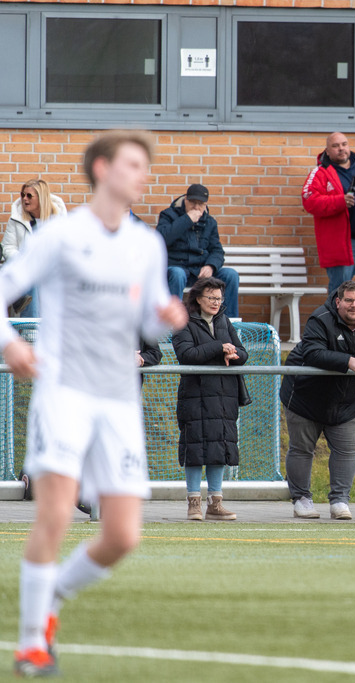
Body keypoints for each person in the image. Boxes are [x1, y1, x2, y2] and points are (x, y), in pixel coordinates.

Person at [0, 131, 187, 677]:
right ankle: (32, 642)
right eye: (134, 164)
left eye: (145, 166)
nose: (143, 174)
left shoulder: (145, 245)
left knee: (123, 535)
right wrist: (10, 343)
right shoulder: (60, 237)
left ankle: (50, 598)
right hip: (63, 392)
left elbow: (147, 320)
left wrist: (166, 320)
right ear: (102, 169)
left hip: (118, 401)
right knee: (56, 513)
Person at [280, 281, 355, 520]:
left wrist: (349, 359)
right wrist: (349, 361)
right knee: (301, 450)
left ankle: (340, 501)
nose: (354, 306)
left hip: (345, 401)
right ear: (338, 301)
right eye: (349, 301)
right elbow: (313, 352)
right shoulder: (320, 319)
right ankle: (302, 499)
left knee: (346, 451)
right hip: (304, 397)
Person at [172, 276, 249, 522]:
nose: (216, 303)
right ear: (197, 298)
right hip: (195, 395)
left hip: (224, 395)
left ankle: (215, 503)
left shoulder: (224, 320)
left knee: (220, 447)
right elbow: (186, 354)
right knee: (195, 448)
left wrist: (234, 353)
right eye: (211, 298)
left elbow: (242, 352)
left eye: (219, 298)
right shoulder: (184, 322)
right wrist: (219, 347)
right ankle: (193, 503)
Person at [157, 183, 240, 318]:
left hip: (201, 273)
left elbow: (217, 251)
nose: (196, 207)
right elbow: (161, 239)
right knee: (177, 274)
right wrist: (187, 220)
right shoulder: (168, 215)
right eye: (193, 203)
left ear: (205, 205)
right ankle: (170, 324)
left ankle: (228, 324)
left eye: (200, 204)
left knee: (230, 275)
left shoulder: (210, 222)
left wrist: (211, 266)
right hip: (178, 269)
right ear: (185, 200)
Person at [302, 132, 355, 294]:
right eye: (335, 146)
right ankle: (333, 321)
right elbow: (309, 201)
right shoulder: (320, 172)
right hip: (343, 243)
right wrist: (340, 201)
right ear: (327, 150)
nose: (341, 149)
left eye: (344, 144)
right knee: (340, 292)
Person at [2, 179, 67, 317]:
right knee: (31, 276)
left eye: (29, 196)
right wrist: (25, 259)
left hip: (53, 268)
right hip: (25, 267)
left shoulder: (58, 219)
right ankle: (30, 330)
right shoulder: (17, 218)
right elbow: (8, 247)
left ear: (41, 198)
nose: (25, 199)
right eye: (23, 195)